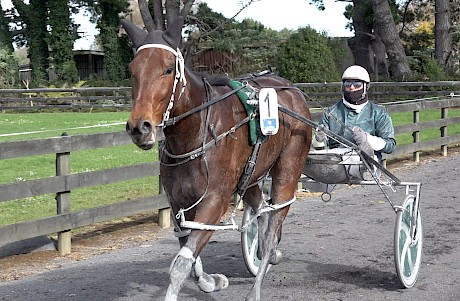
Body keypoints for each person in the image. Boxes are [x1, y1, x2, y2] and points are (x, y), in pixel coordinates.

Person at [312, 65, 396, 160]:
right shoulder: (330, 112)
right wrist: (318, 140)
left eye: (357, 84)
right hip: (335, 165)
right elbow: (320, 148)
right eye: (348, 84)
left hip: (367, 165)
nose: (352, 87)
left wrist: (367, 139)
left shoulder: (378, 113)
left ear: (365, 87)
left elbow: (390, 146)